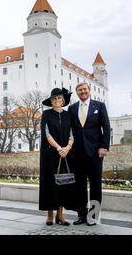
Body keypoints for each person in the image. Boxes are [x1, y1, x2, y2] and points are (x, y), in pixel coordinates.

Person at [69, 82, 110, 226]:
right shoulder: (72, 108)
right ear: (77, 93)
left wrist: (104, 147)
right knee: (79, 185)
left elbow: (106, 127)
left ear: (89, 90)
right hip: (77, 154)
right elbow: (70, 130)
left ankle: (93, 216)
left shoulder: (99, 106)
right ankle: (81, 215)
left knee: (95, 185)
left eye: (85, 89)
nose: (83, 92)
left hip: (95, 153)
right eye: (80, 90)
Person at [39, 88, 77, 226]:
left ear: (63, 100)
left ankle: (60, 215)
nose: (57, 101)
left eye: (59, 98)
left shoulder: (68, 115)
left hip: (66, 154)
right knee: (50, 184)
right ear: (51, 101)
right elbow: (47, 134)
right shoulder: (46, 114)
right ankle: (50, 214)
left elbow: (72, 133)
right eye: (54, 99)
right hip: (51, 154)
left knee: (63, 184)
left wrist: (67, 147)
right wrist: (59, 148)